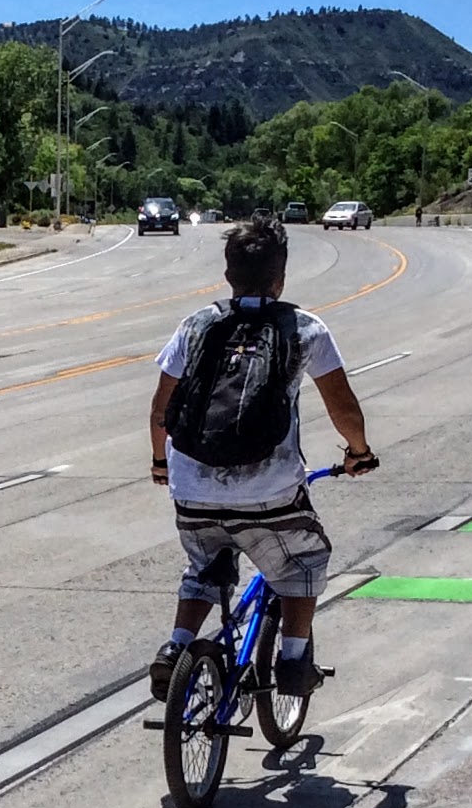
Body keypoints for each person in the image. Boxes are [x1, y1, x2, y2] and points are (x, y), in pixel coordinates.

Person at [149, 215, 378, 702]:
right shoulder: (303, 328)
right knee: (305, 559)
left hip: (191, 488)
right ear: (281, 278)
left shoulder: (197, 325)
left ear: (228, 275)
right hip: (268, 492)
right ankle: (294, 660)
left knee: (204, 566)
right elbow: (343, 407)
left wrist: (161, 465)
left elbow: (160, 409)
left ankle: (177, 647)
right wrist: (358, 453)